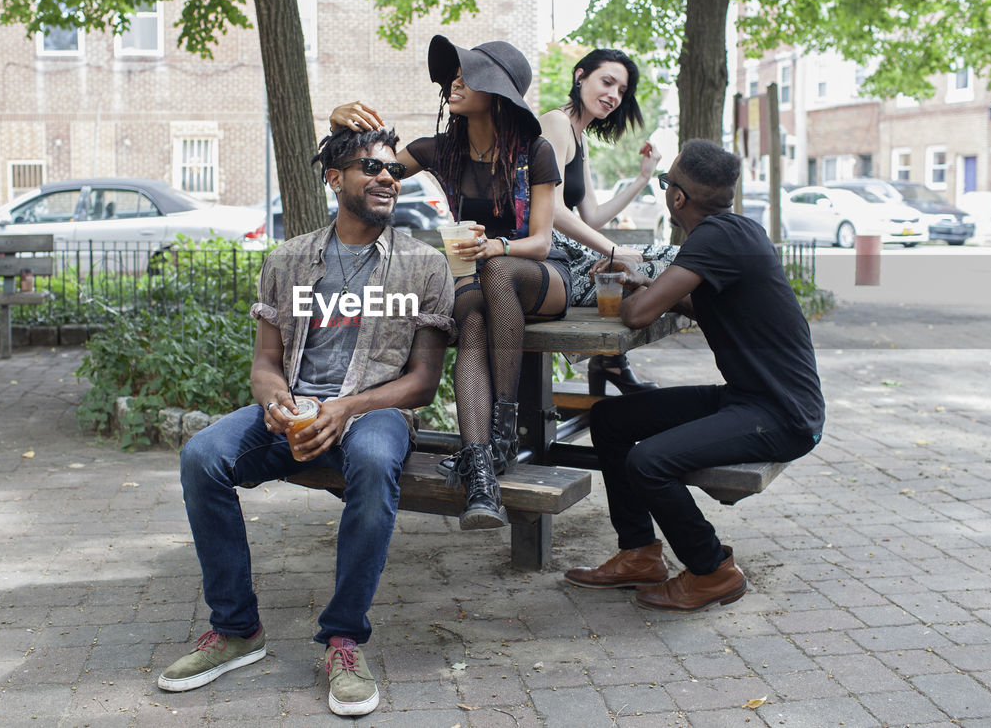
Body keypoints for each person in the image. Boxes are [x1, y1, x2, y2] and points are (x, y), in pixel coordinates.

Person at [158, 126, 455, 717]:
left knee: (372, 462)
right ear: (334, 178)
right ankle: (237, 629)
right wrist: (275, 401)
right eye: (370, 167)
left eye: (392, 169)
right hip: (294, 414)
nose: (386, 178)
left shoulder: (424, 266)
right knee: (201, 457)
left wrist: (345, 408)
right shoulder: (288, 259)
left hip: (375, 413)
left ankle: (344, 639)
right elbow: (267, 362)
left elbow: (423, 381)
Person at [563, 139, 824, 613]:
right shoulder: (737, 232)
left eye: (665, 182)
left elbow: (639, 316)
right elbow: (704, 302)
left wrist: (630, 290)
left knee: (649, 461)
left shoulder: (713, 239)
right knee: (611, 421)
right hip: (749, 397)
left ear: (677, 197)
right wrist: (651, 285)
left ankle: (711, 571)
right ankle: (639, 553)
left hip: (782, 415)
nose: (665, 190)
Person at [330, 36, 568, 531]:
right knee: (473, 324)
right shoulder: (442, 150)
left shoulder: (534, 150)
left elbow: (542, 241)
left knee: (497, 272)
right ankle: (482, 473)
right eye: (454, 74)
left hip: (536, 275)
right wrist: (337, 121)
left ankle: (502, 427)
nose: (454, 82)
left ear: (497, 91)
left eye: (469, 75)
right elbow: (368, 167)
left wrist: (496, 247)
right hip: (477, 279)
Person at [539, 48, 675, 396]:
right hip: (549, 260)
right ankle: (610, 361)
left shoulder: (578, 136)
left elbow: (593, 216)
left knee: (678, 257)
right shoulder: (555, 123)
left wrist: (643, 178)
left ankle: (611, 361)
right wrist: (615, 251)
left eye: (621, 90)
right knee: (669, 265)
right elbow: (552, 210)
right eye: (607, 82)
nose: (614, 95)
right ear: (580, 76)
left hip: (571, 253)